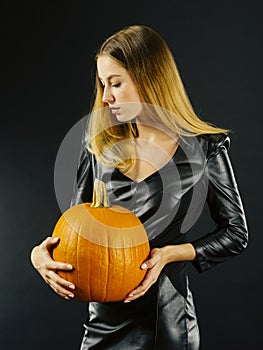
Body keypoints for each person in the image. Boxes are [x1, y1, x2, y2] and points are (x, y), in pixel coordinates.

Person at [30, 24, 248, 349]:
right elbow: (74, 232)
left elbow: (235, 232)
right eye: (103, 85)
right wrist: (39, 256)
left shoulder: (204, 147)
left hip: (166, 320)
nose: (106, 96)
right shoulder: (96, 145)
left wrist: (168, 255)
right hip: (104, 321)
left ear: (149, 78)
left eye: (116, 83)